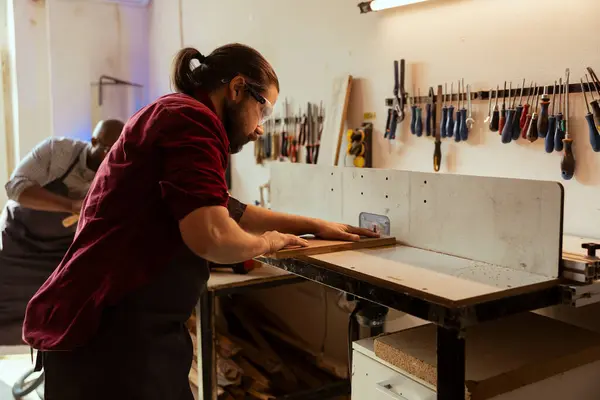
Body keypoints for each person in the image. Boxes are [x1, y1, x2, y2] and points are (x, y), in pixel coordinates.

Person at [23, 44, 378, 400]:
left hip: (117, 329)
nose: (259, 130)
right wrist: (269, 243)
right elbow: (212, 237)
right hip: (109, 337)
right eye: (263, 110)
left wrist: (313, 224)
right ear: (237, 88)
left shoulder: (175, 113)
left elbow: (227, 207)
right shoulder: (193, 120)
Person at [0, 120, 124, 345]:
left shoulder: (118, 170)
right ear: (94, 142)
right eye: (109, 150)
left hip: (58, 253)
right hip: (17, 240)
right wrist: (71, 206)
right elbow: (15, 187)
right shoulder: (58, 152)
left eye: (119, 151)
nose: (113, 158)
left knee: (53, 310)